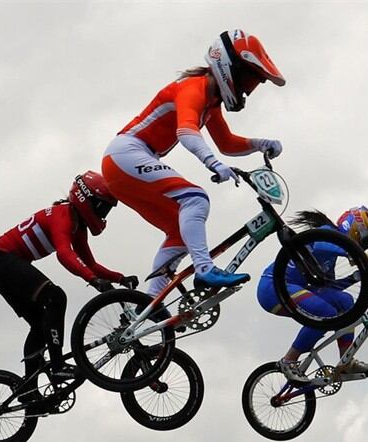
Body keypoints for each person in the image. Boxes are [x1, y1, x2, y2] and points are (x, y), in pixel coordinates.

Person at [102, 29, 286, 297]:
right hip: (126, 154)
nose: (247, 89)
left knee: (180, 231)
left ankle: (149, 304)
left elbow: (227, 143)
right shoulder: (194, 88)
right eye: (248, 80)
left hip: (126, 165)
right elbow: (186, 131)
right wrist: (213, 163)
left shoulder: (210, 104)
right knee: (196, 199)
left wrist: (260, 144)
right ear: (227, 67)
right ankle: (204, 269)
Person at [0, 171, 137, 401]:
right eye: (102, 207)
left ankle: (28, 390)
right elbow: (64, 254)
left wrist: (119, 278)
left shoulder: (78, 227)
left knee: (40, 325)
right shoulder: (62, 214)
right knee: (55, 297)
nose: (103, 214)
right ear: (86, 199)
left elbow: (90, 263)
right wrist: (92, 280)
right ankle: (56, 367)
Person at [256, 207, 368, 384]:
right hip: (272, 288)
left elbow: (329, 288)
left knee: (346, 301)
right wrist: (351, 253)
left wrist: (356, 278)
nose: (364, 246)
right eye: (367, 240)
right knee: (326, 312)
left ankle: (346, 361)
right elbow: (320, 244)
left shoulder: (332, 259)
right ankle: (288, 361)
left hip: (295, 288)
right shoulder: (326, 233)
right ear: (355, 226)